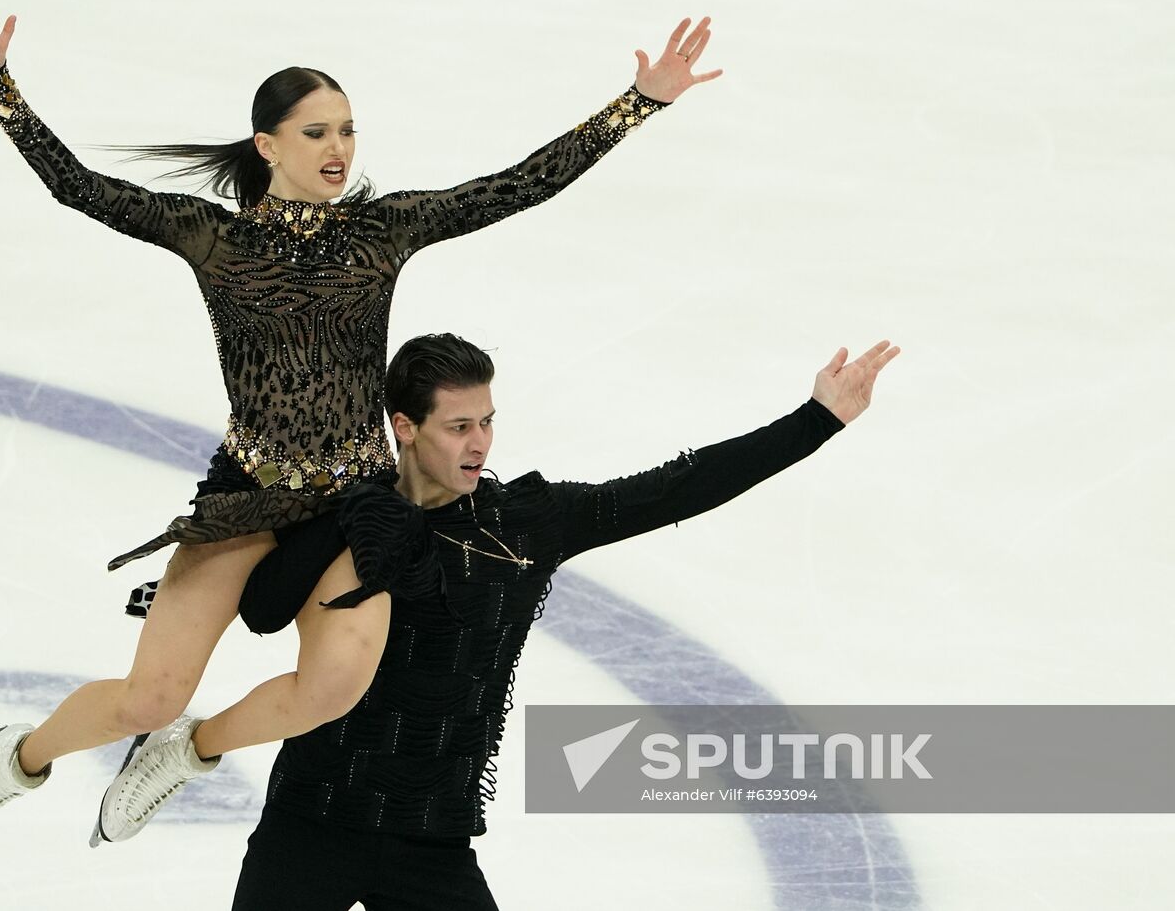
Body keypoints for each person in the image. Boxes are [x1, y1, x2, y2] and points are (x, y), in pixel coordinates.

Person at [0, 4, 723, 844]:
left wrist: (640, 101)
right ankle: (20, 756)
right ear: (266, 144)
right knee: (148, 693)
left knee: (335, 683)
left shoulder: (384, 232)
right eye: (315, 133)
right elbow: (81, 187)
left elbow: (518, 185)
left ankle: (187, 752)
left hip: (357, 505)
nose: (338, 149)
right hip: (247, 499)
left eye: (347, 130)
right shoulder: (213, 239)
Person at [95, 331, 899, 909]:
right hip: (313, 819)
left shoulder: (527, 523)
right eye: (457, 426)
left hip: (434, 838)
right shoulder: (349, 514)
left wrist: (815, 420)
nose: (479, 442)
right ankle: (183, 750)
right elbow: (265, 609)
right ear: (405, 428)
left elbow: (673, 487)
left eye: (486, 421)